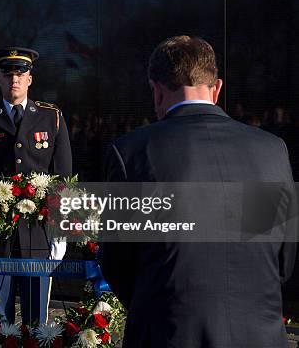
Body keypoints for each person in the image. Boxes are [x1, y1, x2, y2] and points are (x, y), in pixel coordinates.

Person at [99, 36, 296, 348]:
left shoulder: (132, 152)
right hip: (259, 337)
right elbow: (282, 260)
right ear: (216, 88)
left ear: (157, 90)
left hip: (169, 333)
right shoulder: (271, 150)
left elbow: (117, 264)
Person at [0, 47, 72, 325]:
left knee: (37, 315)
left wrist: (62, 230)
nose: (14, 79)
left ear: (30, 79)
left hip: (39, 230)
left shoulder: (51, 117)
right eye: (7, 73)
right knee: (0, 315)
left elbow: (63, 178)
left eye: (20, 73)